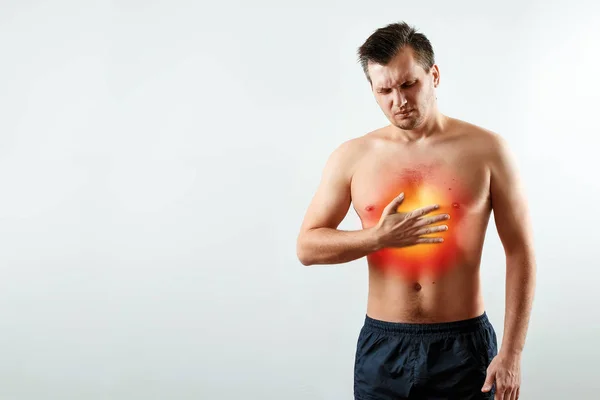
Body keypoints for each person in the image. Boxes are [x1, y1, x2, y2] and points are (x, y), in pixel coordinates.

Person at [296, 21, 536, 400]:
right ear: (373, 91)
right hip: (383, 345)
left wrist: (512, 352)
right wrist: (378, 237)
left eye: (409, 84)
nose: (399, 100)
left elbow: (520, 251)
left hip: (463, 345)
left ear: (434, 75)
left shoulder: (488, 151)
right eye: (385, 90)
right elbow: (307, 247)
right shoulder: (352, 157)